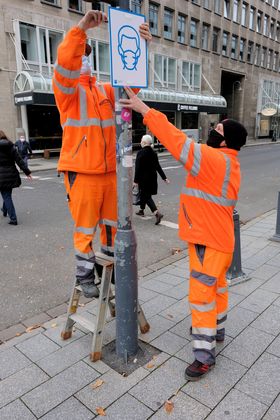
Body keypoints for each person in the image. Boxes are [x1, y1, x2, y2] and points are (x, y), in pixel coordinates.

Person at [119, 87, 247, 381]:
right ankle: (216, 330)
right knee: (217, 289)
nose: (212, 132)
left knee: (201, 296)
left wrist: (144, 110)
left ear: (225, 139)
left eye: (216, 129)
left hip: (206, 241)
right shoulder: (231, 164)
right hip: (222, 240)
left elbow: (175, 140)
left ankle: (203, 356)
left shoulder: (211, 160)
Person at [53, 10, 152, 298]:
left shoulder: (105, 90)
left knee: (111, 227)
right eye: (79, 54)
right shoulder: (67, 92)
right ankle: (85, 275)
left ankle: (108, 271)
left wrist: (143, 45)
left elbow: (132, 84)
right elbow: (65, 63)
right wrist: (81, 28)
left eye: (86, 54)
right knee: (85, 228)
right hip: (82, 172)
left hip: (110, 173)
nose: (82, 59)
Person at [134, 134, 169, 225]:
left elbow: (138, 168)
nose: (141, 142)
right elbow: (158, 166)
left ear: (144, 142)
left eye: (141, 140)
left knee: (147, 196)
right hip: (152, 179)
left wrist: (135, 181)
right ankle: (141, 210)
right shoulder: (153, 153)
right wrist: (164, 178)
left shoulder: (140, 153)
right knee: (145, 194)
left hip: (143, 179)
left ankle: (157, 213)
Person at [0, 131, 32, 225]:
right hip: (10, 173)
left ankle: (13, 219)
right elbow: (19, 160)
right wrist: (27, 172)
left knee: (6, 195)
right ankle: (4, 209)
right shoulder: (10, 146)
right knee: (7, 194)